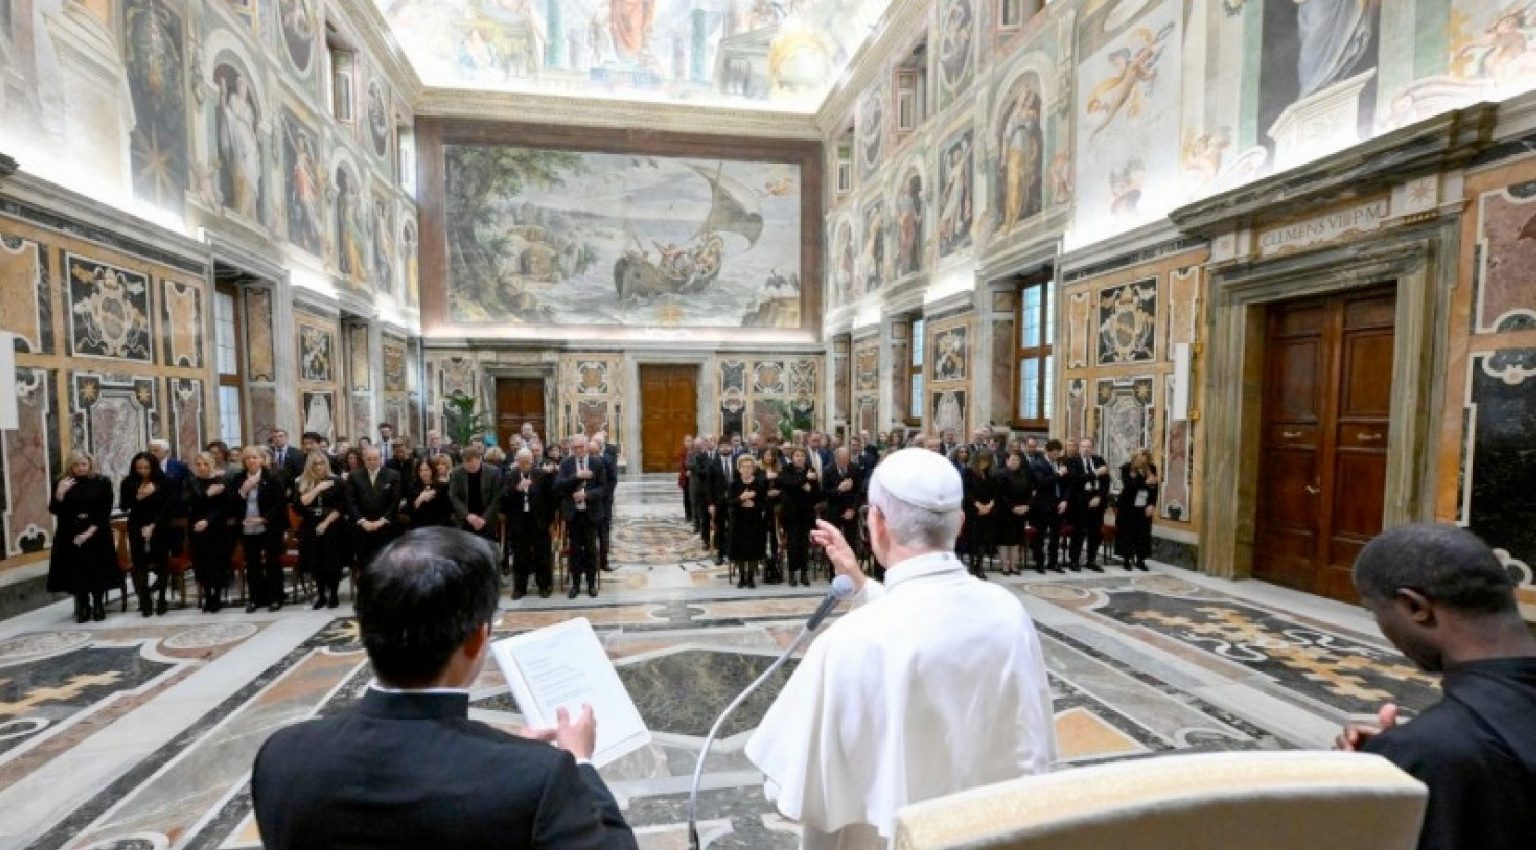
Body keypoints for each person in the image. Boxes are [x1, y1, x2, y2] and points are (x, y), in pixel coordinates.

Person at [252, 527, 638, 850]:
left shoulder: (282, 756)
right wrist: (580, 762)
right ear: (476, 639)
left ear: (365, 629)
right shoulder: (539, 779)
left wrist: (505, 754)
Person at [747, 448, 1057, 849]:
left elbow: (790, 792)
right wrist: (862, 583)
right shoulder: (1008, 613)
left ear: (876, 523)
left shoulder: (845, 643)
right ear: (961, 523)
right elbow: (927, 622)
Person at [1337, 524, 1536, 850]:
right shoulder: (1429, 747)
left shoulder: (1427, 754)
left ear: (1416, 607)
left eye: (1375, 613)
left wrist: (1397, 762)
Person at [48, 452, 116, 622]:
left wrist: (89, 532)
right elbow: (54, 509)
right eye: (76, 465)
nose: (80, 468)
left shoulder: (102, 482)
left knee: (97, 568)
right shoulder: (62, 482)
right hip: (70, 531)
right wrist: (60, 493)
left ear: (90, 464)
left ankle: (99, 604)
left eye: (84, 464)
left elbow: (105, 510)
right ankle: (83, 606)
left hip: (97, 530)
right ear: (70, 466)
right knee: (77, 569)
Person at [233, 446, 289, 613]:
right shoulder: (238, 478)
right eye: (248, 458)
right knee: (252, 564)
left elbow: (279, 503)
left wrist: (264, 518)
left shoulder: (272, 477)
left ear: (262, 460)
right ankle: (255, 598)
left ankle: (275, 597)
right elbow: (231, 503)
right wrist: (243, 490)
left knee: (273, 563)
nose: (251, 460)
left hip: (269, 526)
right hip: (248, 527)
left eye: (255, 457)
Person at [294, 449, 350, 609]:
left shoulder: (337, 481)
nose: (319, 467)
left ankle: (333, 594)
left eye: (321, 463)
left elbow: (342, 506)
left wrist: (325, 523)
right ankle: (321, 595)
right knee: (315, 561)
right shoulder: (302, 482)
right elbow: (301, 504)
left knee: (332, 561)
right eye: (315, 464)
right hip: (310, 523)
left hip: (333, 523)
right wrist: (318, 488)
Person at [121, 451, 173, 617]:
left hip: (160, 525)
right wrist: (138, 496)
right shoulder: (128, 482)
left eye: (146, 467)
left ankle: (162, 599)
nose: (142, 471)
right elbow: (124, 506)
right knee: (140, 563)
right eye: (139, 468)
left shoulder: (164, 480)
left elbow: (168, 506)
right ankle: (145, 600)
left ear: (153, 467)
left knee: (161, 563)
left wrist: (153, 525)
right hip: (137, 525)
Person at [556, 435, 607, 599]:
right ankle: (576, 585)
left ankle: (591, 584)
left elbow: (603, 488)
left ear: (587, 447)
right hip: (574, 514)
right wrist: (576, 477)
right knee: (575, 550)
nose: (578, 450)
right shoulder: (566, 463)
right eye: (575, 447)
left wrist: (586, 495)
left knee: (591, 550)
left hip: (591, 513)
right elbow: (560, 485)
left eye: (581, 447)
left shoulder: (597, 463)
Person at [502, 448, 554, 599]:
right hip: (519, 520)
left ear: (532, 460)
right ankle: (520, 588)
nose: (525, 465)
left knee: (542, 554)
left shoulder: (541, 475)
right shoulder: (510, 476)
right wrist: (517, 489)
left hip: (538, 520)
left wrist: (550, 521)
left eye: (528, 461)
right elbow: (503, 497)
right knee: (520, 555)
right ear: (517, 461)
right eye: (522, 462)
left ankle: (544, 585)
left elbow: (550, 499)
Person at [185, 452, 233, 612]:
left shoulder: (222, 481)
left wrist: (208, 521)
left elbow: (224, 506)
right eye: (198, 464)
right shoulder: (191, 482)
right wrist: (207, 494)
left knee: (217, 562)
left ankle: (217, 596)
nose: (202, 467)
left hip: (216, 527)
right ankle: (208, 596)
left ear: (212, 464)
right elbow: (190, 503)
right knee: (201, 563)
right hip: (196, 527)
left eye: (205, 464)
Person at [348, 445, 402, 571]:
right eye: (369, 459)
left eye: (375, 458)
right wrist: (363, 521)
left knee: (385, 565)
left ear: (381, 459)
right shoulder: (354, 476)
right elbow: (351, 502)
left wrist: (382, 521)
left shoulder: (393, 475)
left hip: (385, 528)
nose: (372, 462)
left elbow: (395, 501)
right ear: (364, 459)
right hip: (362, 529)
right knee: (364, 565)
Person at [1066, 437, 1111, 571]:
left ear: (1092, 448)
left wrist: (1099, 497)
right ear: (1079, 448)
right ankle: (1074, 561)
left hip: (1097, 502)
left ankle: (1091, 560)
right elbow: (1076, 480)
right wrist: (1096, 473)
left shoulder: (1099, 460)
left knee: (1095, 533)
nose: (1086, 449)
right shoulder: (1072, 461)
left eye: (1088, 447)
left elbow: (1106, 482)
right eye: (1083, 446)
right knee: (1078, 533)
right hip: (1080, 503)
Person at [780, 446, 820, 587]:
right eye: (797, 456)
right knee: (793, 544)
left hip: (806, 512)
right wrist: (804, 481)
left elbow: (816, 493)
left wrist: (810, 489)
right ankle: (792, 573)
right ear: (792, 458)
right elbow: (788, 486)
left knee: (804, 544)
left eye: (802, 456)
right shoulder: (786, 470)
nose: (799, 458)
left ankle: (804, 573)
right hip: (791, 513)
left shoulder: (811, 470)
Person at [449, 445, 503, 547]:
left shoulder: (493, 473)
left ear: (480, 459)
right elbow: (454, 496)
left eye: (473, 466)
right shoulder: (456, 473)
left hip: (487, 520)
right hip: (465, 520)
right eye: (467, 466)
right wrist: (467, 515)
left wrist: (484, 519)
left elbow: (496, 498)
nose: (470, 468)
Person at [1115, 448, 1158, 571]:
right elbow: (1129, 486)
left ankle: (1140, 560)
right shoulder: (1126, 468)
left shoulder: (1151, 468)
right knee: (1128, 532)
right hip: (1128, 506)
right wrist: (1146, 483)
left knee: (1143, 533)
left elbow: (1155, 488)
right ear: (1134, 457)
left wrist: (1152, 504)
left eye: (1145, 457)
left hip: (1144, 506)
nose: (1142, 459)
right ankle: (1126, 559)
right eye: (1140, 456)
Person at [1028, 439, 1067, 572]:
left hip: (1058, 504)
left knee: (1055, 535)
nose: (1057, 456)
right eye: (1055, 453)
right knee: (1040, 535)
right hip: (1042, 505)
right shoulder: (1037, 464)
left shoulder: (1060, 463)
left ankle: (1053, 562)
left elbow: (1066, 485)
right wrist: (1058, 474)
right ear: (1048, 451)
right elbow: (1042, 482)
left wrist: (1064, 500)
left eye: (1058, 453)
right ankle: (1039, 563)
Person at [729, 454, 768, 589]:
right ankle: (742, 578)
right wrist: (741, 498)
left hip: (754, 522)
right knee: (740, 551)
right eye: (743, 467)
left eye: (749, 467)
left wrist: (754, 505)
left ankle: (750, 578)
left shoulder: (759, 484)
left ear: (753, 469)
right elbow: (728, 503)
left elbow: (765, 504)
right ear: (739, 469)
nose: (746, 469)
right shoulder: (734, 484)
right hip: (738, 521)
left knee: (753, 550)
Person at [961, 449, 999, 579]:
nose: (984, 463)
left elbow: (996, 492)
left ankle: (980, 565)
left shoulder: (991, 474)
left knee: (984, 539)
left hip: (988, 511)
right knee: (974, 539)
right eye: (982, 460)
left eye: (987, 461)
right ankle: (972, 565)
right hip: (973, 510)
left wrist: (989, 506)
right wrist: (978, 505)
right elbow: (966, 491)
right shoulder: (968, 472)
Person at [995, 449, 1034, 576]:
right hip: (1005, 512)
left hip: (1021, 512)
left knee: (1017, 539)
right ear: (1007, 460)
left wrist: (1027, 506)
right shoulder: (1001, 474)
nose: (1015, 461)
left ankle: (1014, 565)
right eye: (1013, 459)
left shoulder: (1024, 474)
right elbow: (1000, 495)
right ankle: (1005, 566)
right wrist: (1013, 507)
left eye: (1017, 459)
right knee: (1005, 540)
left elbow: (1030, 492)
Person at [590, 432, 618, 573]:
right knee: (590, 534)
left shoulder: (607, 460)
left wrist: (603, 494)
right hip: (590, 502)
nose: (593, 453)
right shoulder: (586, 461)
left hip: (604, 502)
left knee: (603, 533)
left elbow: (613, 480)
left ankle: (603, 561)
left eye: (598, 444)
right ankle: (590, 562)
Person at [403, 457, 452, 529]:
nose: (424, 473)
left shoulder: (442, 486)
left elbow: (447, 511)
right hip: (418, 526)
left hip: (438, 526)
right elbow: (410, 511)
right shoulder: (412, 486)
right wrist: (420, 499)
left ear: (432, 470)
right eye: (420, 470)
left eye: (426, 470)